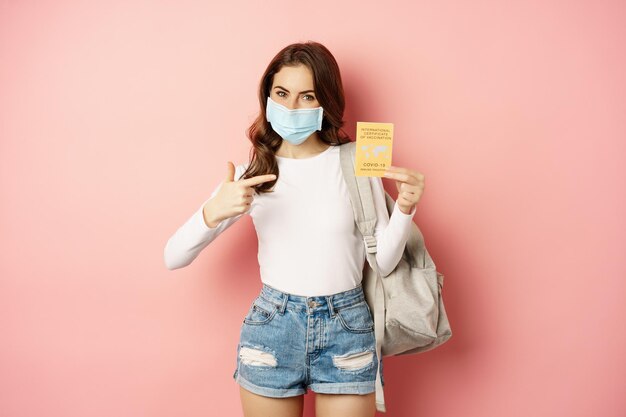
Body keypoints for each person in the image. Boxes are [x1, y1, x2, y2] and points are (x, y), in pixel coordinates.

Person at [164, 41, 425, 417]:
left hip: (346, 327)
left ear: (325, 105)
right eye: (282, 94)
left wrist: (405, 208)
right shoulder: (249, 175)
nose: (290, 107)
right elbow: (172, 257)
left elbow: (383, 263)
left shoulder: (356, 163)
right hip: (273, 328)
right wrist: (213, 211)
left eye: (307, 97)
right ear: (267, 96)